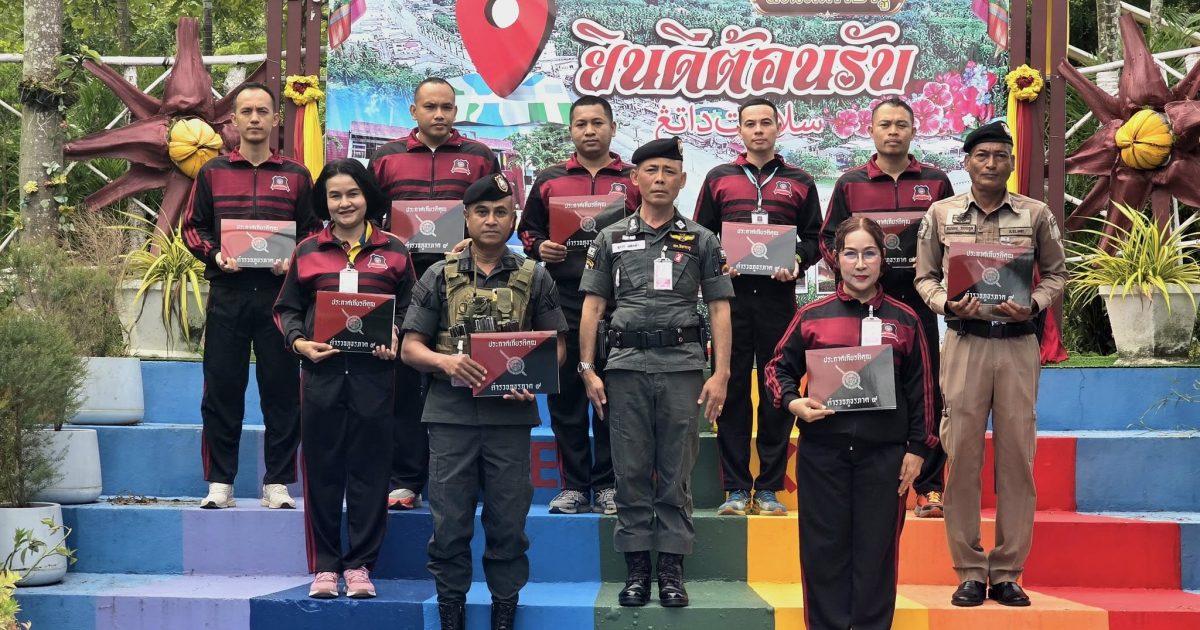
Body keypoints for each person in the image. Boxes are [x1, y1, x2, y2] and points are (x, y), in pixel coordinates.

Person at [400, 174, 568, 630]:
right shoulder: (439, 275)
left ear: (513, 219)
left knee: (508, 522)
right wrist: (445, 362)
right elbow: (410, 348)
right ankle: (450, 611)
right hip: (450, 416)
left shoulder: (535, 275)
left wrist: (532, 378)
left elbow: (557, 346)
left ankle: (504, 610)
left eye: (500, 212)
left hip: (509, 417)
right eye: (482, 212)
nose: (491, 220)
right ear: (466, 218)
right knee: (449, 523)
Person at [914, 121, 1066, 607]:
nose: (991, 164)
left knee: (1017, 459)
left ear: (1012, 163)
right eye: (982, 156)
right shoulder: (941, 213)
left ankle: (1007, 572)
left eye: (1001, 155)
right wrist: (944, 303)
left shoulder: (1035, 213)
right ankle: (968, 570)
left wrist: (1034, 304)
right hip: (965, 343)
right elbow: (924, 277)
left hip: (1018, 344)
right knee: (961, 457)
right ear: (967, 162)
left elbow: (1057, 273)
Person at [578, 137, 734, 608]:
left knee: (675, 471)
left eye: (669, 171)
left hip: (682, 367)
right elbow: (593, 306)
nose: (660, 179)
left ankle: (670, 569)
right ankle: (636, 569)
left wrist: (721, 373)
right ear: (635, 178)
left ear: (682, 180)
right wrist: (587, 367)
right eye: (651, 170)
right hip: (624, 368)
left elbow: (720, 308)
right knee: (629, 471)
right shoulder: (610, 237)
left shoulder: (702, 239)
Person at [764, 216, 934, 630]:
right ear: (836, 258)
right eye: (851, 254)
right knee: (823, 552)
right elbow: (776, 368)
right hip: (823, 456)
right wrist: (793, 402)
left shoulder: (906, 319)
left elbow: (924, 391)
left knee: (877, 554)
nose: (860, 264)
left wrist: (917, 449)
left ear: (882, 259)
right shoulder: (811, 315)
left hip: (885, 459)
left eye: (869, 253)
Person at [273, 159, 415, 599]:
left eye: (352, 193)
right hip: (322, 375)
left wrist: (397, 333)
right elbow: (286, 309)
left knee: (371, 473)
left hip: (376, 375)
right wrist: (299, 343)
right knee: (322, 472)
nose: (344, 203)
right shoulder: (307, 250)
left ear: (368, 195)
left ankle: (360, 566)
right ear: (324, 201)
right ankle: (326, 566)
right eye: (334, 195)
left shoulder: (395, 249)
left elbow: (413, 307)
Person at [182, 82, 319, 510]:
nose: (255, 118)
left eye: (262, 111)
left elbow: (314, 231)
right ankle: (220, 482)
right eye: (247, 111)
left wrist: (293, 259)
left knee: (282, 391)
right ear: (233, 120)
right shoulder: (212, 172)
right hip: (228, 294)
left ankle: (277, 482)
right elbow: (192, 227)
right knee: (222, 390)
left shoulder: (297, 175)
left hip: (280, 298)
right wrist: (215, 254)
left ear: (275, 118)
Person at [820, 97, 955, 519]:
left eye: (901, 124)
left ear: (914, 130)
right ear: (871, 131)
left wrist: (938, 273)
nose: (893, 131)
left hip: (918, 300)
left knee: (926, 388)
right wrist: (856, 275)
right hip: (865, 302)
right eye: (885, 124)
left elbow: (952, 237)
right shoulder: (850, 183)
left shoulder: (935, 182)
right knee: (861, 380)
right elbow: (828, 239)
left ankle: (930, 486)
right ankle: (863, 470)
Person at [370, 76, 501, 512]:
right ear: (414, 111)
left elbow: (498, 214)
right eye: (430, 107)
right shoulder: (386, 157)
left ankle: (469, 480)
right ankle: (405, 479)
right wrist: (387, 240)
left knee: (466, 375)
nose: (439, 114)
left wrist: (473, 240)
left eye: (446, 107)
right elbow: (367, 218)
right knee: (406, 382)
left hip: (464, 281)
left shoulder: (479, 156)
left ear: (456, 111)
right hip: (402, 281)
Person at [694, 98, 822, 517]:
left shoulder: (800, 180)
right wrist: (719, 262)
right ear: (740, 130)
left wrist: (797, 261)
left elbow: (815, 238)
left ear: (778, 127)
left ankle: (767, 488)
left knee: (776, 390)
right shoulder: (719, 178)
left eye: (766, 122)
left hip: (777, 300)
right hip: (730, 302)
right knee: (731, 391)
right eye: (750, 124)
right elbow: (702, 235)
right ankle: (734, 488)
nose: (759, 130)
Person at [515, 95, 640, 515]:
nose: (589, 130)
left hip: (618, 300)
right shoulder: (550, 179)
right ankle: (573, 486)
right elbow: (528, 230)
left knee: (611, 394)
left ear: (612, 128)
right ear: (570, 130)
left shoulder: (633, 180)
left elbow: (650, 230)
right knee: (566, 396)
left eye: (597, 123)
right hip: (562, 298)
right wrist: (540, 247)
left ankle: (607, 485)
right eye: (581, 123)